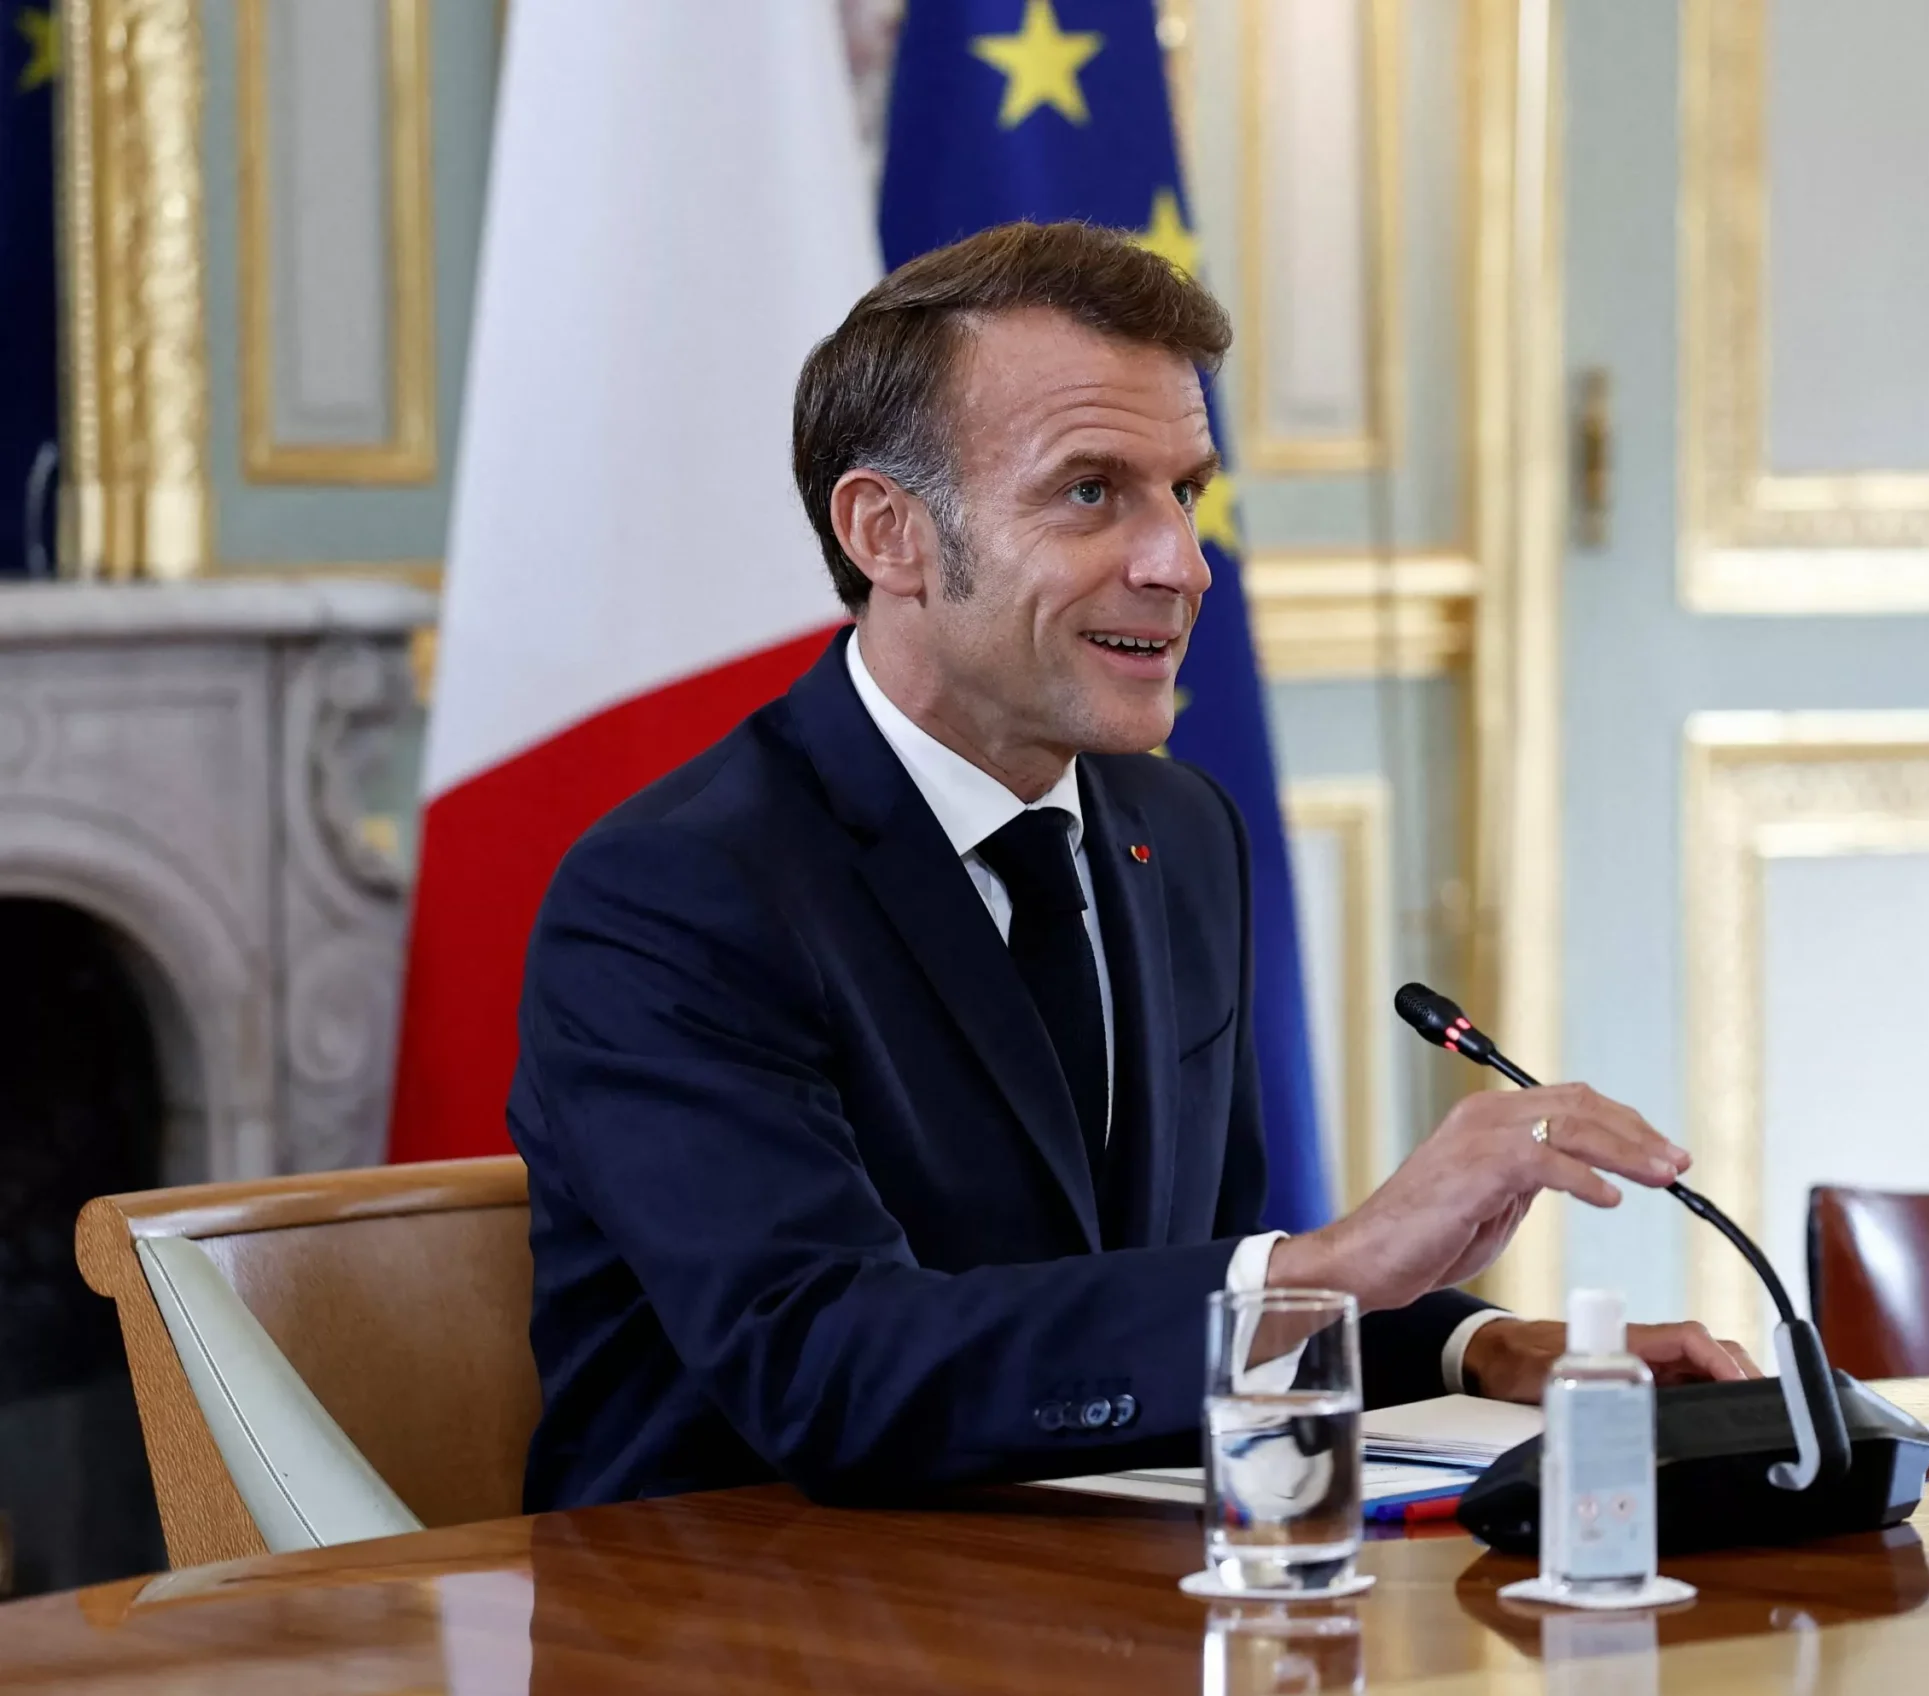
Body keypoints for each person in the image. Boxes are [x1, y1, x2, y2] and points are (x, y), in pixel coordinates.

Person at [512, 220, 1752, 1512]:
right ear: (890, 534)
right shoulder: (673, 895)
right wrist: (1330, 1263)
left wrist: (1477, 1347)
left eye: (1186, 492)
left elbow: (1174, 1290)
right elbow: (828, 1364)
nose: (1182, 564)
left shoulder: (1183, 831)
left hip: (1101, 1578)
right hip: (739, 1600)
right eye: (1092, 492)